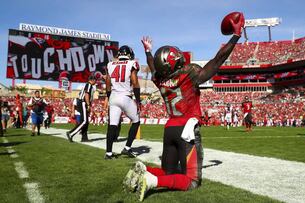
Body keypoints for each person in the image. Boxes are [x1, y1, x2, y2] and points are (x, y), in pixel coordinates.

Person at [123, 17, 244, 201]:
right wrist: (235, 36)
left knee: (168, 170)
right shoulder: (189, 73)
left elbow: (153, 64)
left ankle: (145, 170)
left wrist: (148, 50)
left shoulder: (158, 78)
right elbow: (218, 60)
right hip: (186, 129)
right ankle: (151, 180)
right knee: (192, 181)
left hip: (169, 127)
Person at [104, 45, 141, 159]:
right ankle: (127, 148)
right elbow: (134, 82)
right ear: (129, 54)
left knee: (112, 125)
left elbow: (108, 83)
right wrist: (138, 100)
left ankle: (108, 153)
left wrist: (109, 97)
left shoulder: (110, 64)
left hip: (114, 96)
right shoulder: (132, 63)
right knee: (136, 121)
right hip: (125, 96)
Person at [66, 75, 96, 142]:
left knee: (86, 122)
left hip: (82, 102)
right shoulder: (89, 85)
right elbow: (86, 94)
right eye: (95, 80)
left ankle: (84, 137)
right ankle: (71, 133)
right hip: (83, 103)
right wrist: (88, 105)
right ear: (92, 80)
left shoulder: (87, 85)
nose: (95, 82)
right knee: (84, 121)